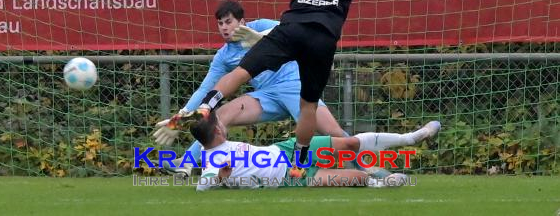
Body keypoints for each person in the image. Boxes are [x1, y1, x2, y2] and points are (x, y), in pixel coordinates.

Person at [163, 0, 449, 165]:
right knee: (309, 105)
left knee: (240, 72)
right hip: (323, 38)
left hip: (292, 29)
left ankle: (207, 107)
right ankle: (300, 161)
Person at [155, 0, 347, 176]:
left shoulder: (261, 26)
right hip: (266, 97)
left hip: (294, 87)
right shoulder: (223, 56)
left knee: (335, 134)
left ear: (242, 21)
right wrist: (180, 118)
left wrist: (260, 37)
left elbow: (292, 31)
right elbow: (206, 90)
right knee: (221, 115)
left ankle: (368, 165)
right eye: (220, 24)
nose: (224, 27)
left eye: (228, 22)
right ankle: (188, 162)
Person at [187, 109, 441, 191]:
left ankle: (410, 137)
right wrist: (219, 176)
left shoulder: (204, 141)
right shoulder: (214, 158)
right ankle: (383, 183)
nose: (223, 123)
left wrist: (177, 121)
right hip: (291, 178)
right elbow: (203, 184)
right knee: (359, 179)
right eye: (220, 122)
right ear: (218, 132)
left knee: (349, 143)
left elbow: (192, 121)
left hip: (287, 151)